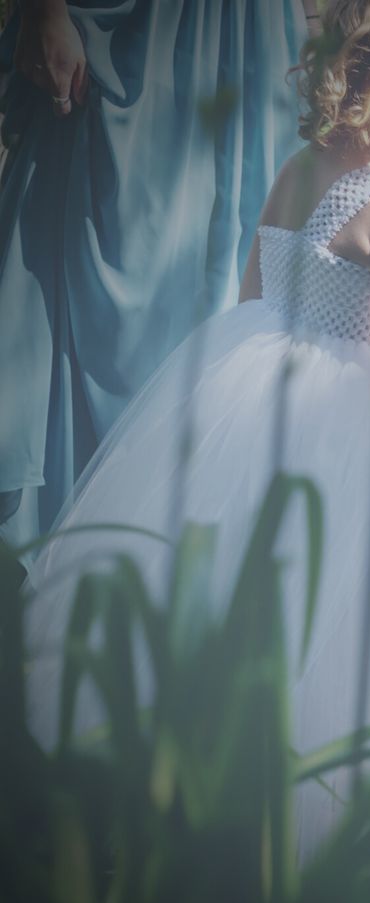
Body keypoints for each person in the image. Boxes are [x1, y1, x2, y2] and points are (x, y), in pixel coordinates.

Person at [21, 0, 370, 861]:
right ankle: (329, 815)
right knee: (348, 614)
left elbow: (254, 296)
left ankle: (199, 780)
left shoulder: (297, 167)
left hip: (263, 393)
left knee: (256, 589)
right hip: (364, 428)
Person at [0, 0, 313, 546]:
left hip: (257, 39)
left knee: (241, 286)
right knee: (71, 269)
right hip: (136, 31)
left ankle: (189, 561)